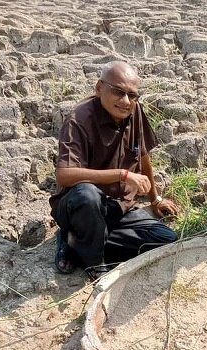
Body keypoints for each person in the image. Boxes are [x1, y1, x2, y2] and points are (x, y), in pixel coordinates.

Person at [50, 61, 179, 280]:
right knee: (87, 194)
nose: (126, 101)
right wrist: (122, 174)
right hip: (81, 207)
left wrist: (155, 199)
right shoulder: (78, 120)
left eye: (132, 95)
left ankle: (77, 243)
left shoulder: (134, 110)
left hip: (118, 207)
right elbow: (65, 174)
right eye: (118, 92)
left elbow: (143, 155)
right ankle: (94, 263)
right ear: (99, 88)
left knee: (165, 239)